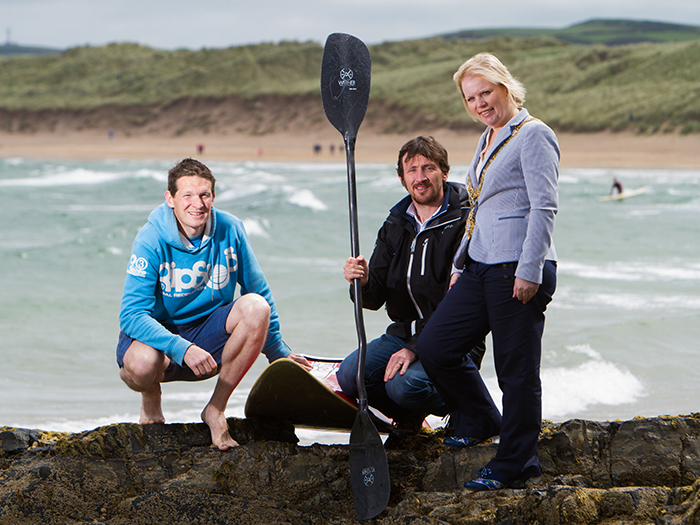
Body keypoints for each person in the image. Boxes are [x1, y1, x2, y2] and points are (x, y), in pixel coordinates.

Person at [416, 53, 559, 491]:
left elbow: (544, 207)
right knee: (435, 345)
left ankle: (516, 461)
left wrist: (529, 269)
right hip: (480, 266)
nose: (479, 103)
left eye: (486, 92)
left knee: (516, 372)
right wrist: (462, 261)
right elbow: (480, 208)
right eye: (470, 97)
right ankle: (480, 415)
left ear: (505, 86)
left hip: (518, 268)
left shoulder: (534, 135)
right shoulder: (488, 137)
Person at [116, 158, 309, 450]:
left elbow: (258, 289)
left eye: (205, 195)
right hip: (161, 343)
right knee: (141, 367)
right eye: (188, 195)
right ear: (170, 199)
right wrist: (181, 347)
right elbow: (131, 315)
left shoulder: (230, 229)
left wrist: (278, 353)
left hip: (209, 336)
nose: (198, 204)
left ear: (213, 197)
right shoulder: (151, 239)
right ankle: (151, 395)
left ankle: (215, 409)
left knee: (256, 306)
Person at [336, 136, 485, 436]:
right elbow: (374, 297)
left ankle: (468, 407)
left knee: (405, 386)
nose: (420, 177)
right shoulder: (396, 223)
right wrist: (362, 280)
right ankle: (411, 418)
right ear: (402, 178)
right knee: (350, 376)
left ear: (444, 172)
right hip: (404, 333)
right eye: (412, 169)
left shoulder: (466, 221)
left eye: (428, 168)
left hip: (454, 340)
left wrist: (413, 350)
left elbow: (464, 299)